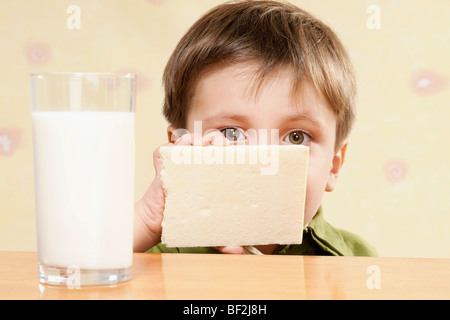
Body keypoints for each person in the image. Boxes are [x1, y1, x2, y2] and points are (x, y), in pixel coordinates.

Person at [133, 0, 377, 256]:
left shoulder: (355, 260)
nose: (265, 161)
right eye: (231, 133)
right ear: (178, 153)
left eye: (296, 137)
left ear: (333, 166)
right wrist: (144, 221)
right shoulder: (148, 257)